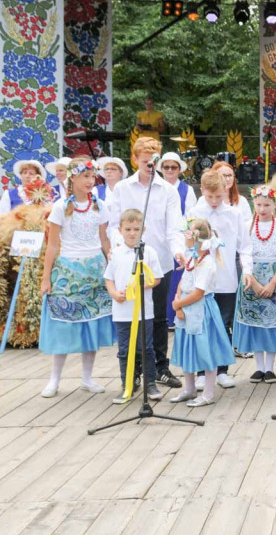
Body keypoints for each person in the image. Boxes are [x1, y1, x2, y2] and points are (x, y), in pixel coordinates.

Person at [105, 137, 185, 389]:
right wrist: (121, 248)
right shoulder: (122, 188)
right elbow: (112, 225)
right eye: (144, 160)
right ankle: (133, 370)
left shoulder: (168, 190)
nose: (150, 165)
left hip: (158, 260)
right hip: (127, 261)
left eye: (154, 160)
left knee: (157, 316)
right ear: (135, 160)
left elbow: (174, 228)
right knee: (131, 317)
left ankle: (160, 366)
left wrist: (179, 251)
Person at [38, 159, 115, 398]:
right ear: (73, 178)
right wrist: (46, 277)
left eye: (93, 177)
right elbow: (52, 246)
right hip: (69, 270)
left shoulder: (100, 205)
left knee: (91, 323)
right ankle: (54, 379)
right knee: (63, 323)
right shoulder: (60, 207)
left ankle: (87, 377)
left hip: (94, 270)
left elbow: (104, 241)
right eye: (86, 177)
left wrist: (113, 266)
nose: (91, 181)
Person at [188, 170, 252, 390]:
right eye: (210, 197)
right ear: (203, 191)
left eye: (219, 196)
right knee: (201, 323)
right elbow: (186, 243)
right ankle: (201, 371)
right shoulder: (195, 212)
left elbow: (245, 245)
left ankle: (222, 369)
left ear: (226, 190)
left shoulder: (233, 214)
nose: (214, 202)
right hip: (201, 279)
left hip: (226, 278)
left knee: (223, 324)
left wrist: (248, 270)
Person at [170, 218, 235, 407]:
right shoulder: (191, 257)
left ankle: (207, 393)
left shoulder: (207, 263)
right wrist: (178, 302)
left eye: (187, 233)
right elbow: (183, 281)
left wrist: (177, 304)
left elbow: (199, 293)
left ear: (195, 238)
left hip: (201, 310)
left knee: (206, 350)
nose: (185, 236)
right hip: (185, 307)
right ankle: (189, 389)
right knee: (187, 348)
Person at [234, 186, 276, 384]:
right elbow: (244, 253)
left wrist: (273, 282)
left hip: (275, 277)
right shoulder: (247, 225)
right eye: (258, 204)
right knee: (256, 322)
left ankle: (270, 367)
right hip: (252, 277)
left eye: (266, 204)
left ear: (275, 204)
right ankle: (259, 366)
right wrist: (253, 280)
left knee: (272, 321)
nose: (262, 209)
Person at [104, 208, 164, 403]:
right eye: (128, 229)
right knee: (124, 349)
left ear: (143, 229)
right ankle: (127, 384)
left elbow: (157, 278)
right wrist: (115, 294)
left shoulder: (149, 252)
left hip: (143, 311)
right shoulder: (117, 254)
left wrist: (141, 287)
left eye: (136, 229)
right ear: (120, 230)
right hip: (122, 312)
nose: (132, 233)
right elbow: (109, 279)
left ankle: (150, 384)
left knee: (145, 347)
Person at [158, 152, 194, 329]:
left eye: (174, 167)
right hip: (158, 238)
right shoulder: (156, 188)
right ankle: (161, 317)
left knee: (176, 278)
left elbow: (190, 217)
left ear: (179, 169)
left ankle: (174, 316)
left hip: (178, 237)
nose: (170, 170)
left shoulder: (186, 189)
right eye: (166, 167)